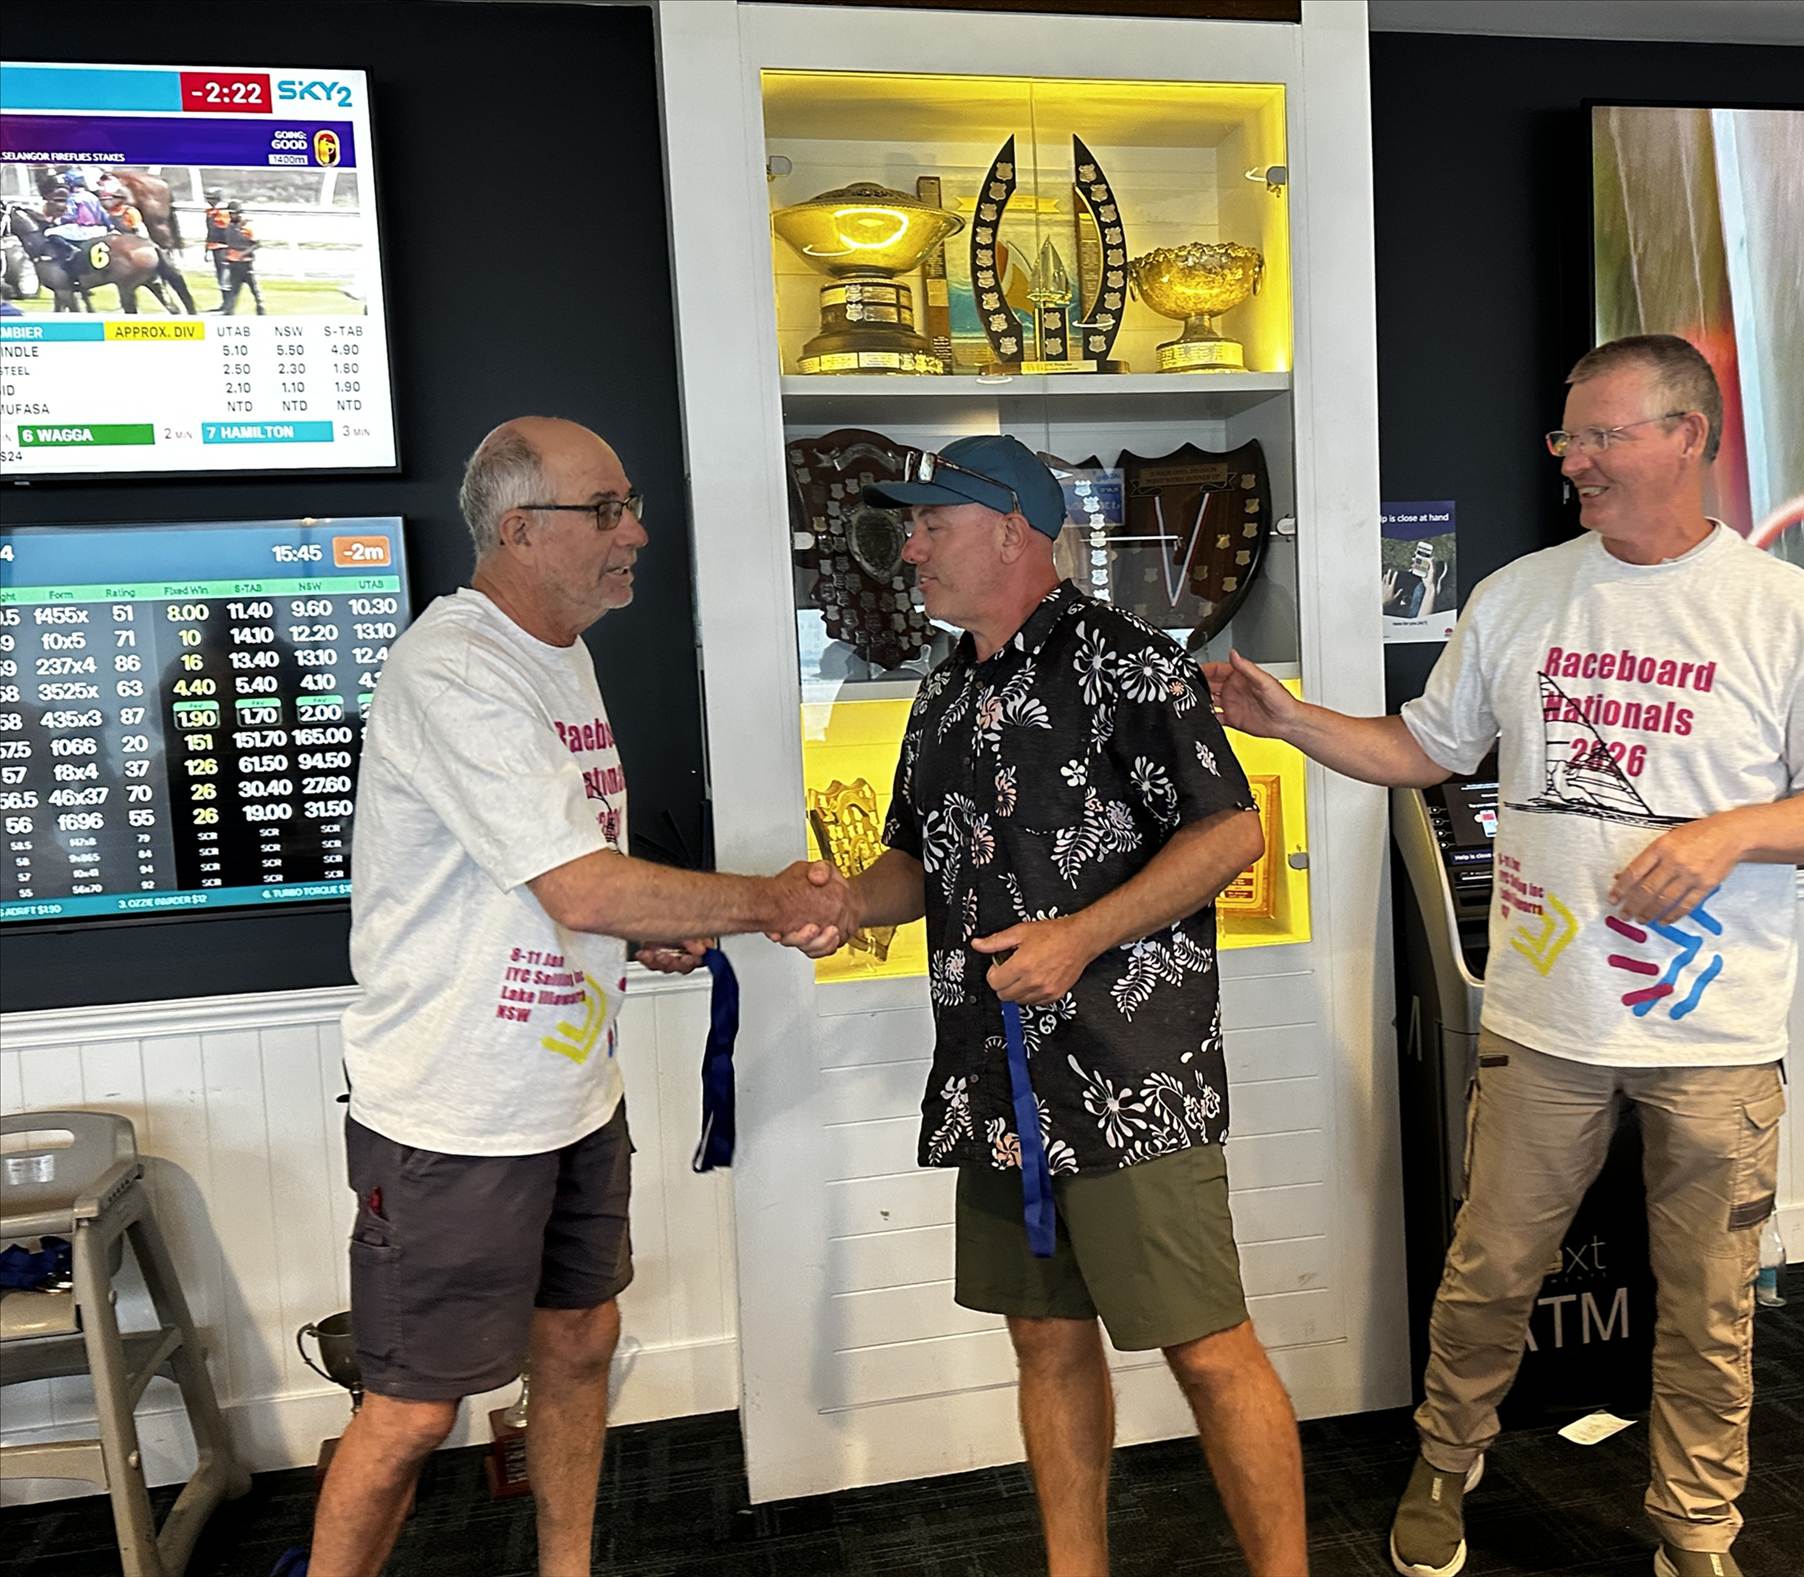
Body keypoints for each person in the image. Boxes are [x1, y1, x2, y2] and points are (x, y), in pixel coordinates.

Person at [1206, 335, 1804, 1577]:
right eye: (1566, 437)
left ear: (1689, 435)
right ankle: (1445, 1462)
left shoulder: (1796, 615)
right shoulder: (1520, 595)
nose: (1574, 459)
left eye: (1601, 435)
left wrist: (1731, 831)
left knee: (1710, 1304)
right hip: (1544, 1018)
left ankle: (1694, 1526)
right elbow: (1425, 749)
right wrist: (1293, 720)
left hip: (1716, 1034)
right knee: (1489, 1275)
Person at [289, 418, 855, 1577]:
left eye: (629, 503)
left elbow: (556, 874)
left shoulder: (561, 652)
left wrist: (651, 927)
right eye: (605, 510)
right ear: (519, 530)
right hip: (456, 1112)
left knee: (583, 1338)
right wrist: (761, 901)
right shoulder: (458, 668)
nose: (634, 531)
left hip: (572, 1090)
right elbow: (581, 884)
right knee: (412, 1409)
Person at [775, 434, 1307, 1575]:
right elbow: (917, 861)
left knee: (1207, 1346)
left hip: (1129, 1078)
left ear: (1012, 529)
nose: (910, 548)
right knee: (1046, 1338)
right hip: (994, 1079)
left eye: (932, 524)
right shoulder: (943, 689)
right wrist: (847, 900)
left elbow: (1231, 831)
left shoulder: (1131, 662)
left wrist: (1079, 936)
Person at [215, 199, 264, 314]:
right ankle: (229, 311)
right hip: (233, 263)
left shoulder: (247, 228)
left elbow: (257, 244)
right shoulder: (230, 227)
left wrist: (244, 252)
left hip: (246, 263)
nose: (232, 215)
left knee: (255, 289)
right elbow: (228, 240)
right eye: (230, 213)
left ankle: (260, 308)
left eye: (234, 213)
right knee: (233, 290)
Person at [202, 186, 232, 288]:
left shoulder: (223, 212)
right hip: (214, 245)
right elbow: (210, 231)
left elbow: (225, 229)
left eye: (212, 199)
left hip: (223, 246)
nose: (209, 201)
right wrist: (207, 248)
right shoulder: (211, 212)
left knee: (224, 269)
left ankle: (226, 289)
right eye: (208, 198)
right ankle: (223, 288)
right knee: (219, 269)